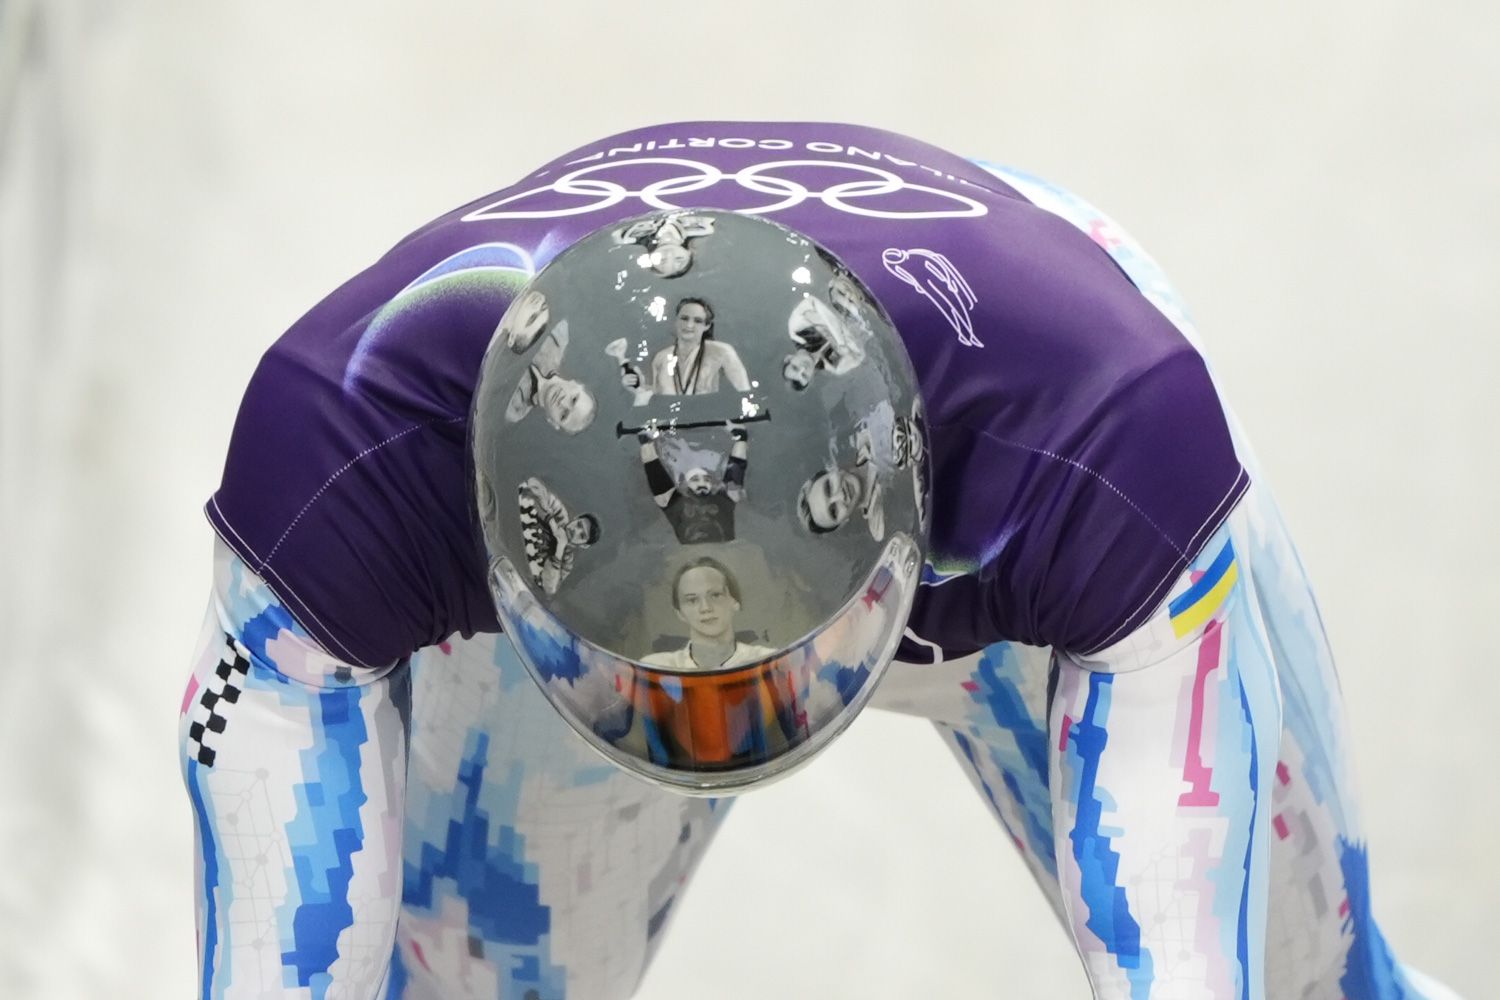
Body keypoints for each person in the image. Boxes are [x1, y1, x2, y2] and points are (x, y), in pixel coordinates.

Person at [183, 121, 1459, 1000]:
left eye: (767, 656)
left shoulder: (1102, 441)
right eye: (660, 658)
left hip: (1032, 509)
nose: (720, 709)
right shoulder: (346, 453)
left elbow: (1183, 952)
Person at [641, 558, 776, 671]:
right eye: (692, 600)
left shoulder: (768, 661)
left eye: (715, 595)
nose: (705, 608)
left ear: (735, 602)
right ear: (679, 613)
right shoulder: (657, 667)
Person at [637, 422, 749, 544]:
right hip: (691, 553)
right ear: (685, 484)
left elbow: (736, 468)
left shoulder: (724, 500)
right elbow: (654, 472)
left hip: (724, 551)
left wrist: (741, 438)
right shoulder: (674, 503)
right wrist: (646, 443)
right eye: (695, 479)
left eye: (707, 479)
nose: (702, 483)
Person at [633, 296, 751, 397]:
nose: (689, 325)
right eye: (684, 318)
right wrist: (638, 386)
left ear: (707, 326)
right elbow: (657, 400)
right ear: (676, 321)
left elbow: (745, 394)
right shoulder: (661, 358)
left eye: (697, 321)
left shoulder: (722, 352)